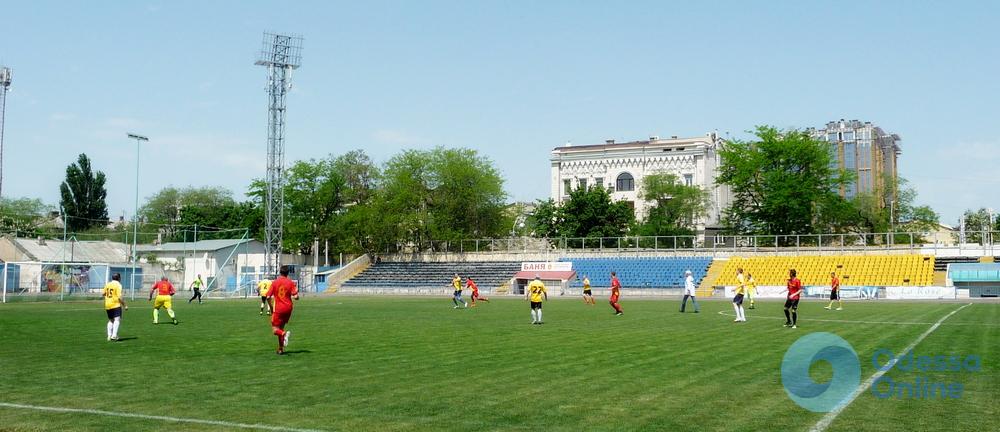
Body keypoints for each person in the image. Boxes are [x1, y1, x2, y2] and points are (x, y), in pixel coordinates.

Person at [267, 265, 299, 355]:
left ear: (280, 272)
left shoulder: (275, 283)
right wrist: (296, 296)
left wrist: (271, 306)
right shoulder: (290, 282)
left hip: (278, 309)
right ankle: (281, 349)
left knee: (275, 330)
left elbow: (268, 296)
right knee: (280, 328)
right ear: (288, 273)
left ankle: (284, 334)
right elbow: (296, 297)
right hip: (288, 308)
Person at [102, 273, 127, 341]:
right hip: (115, 304)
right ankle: (114, 335)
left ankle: (109, 336)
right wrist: (125, 305)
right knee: (117, 319)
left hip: (107, 304)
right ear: (119, 278)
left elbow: (103, 293)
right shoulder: (118, 285)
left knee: (110, 320)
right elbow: (120, 297)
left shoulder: (108, 284)